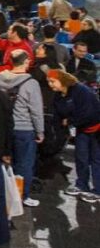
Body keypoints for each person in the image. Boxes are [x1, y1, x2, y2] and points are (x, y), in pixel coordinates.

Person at [0, 49, 45, 206]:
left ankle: (5, 196)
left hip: (4, 129)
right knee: (24, 165)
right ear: (26, 61)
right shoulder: (31, 83)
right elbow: (36, 110)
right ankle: (21, 197)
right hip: (24, 130)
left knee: (4, 164)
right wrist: (40, 131)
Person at [49, 69, 100, 201]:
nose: (50, 84)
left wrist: (70, 121)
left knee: (96, 159)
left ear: (63, 80)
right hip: (82, 129)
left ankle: (98, 191)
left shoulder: (81, 91)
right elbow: (58, 117)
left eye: (53, 81)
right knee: (81, 157)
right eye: (49, 81)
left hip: (96, 128)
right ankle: (82, 185)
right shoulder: (58, 96)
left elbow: (89, 114)